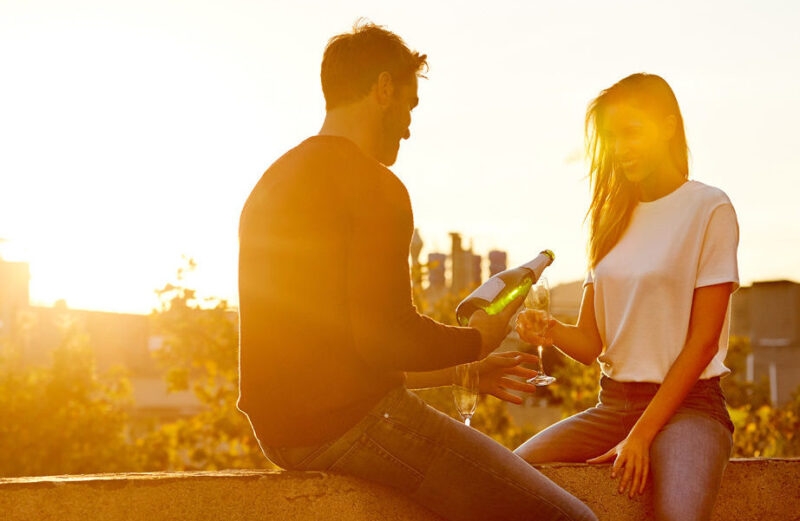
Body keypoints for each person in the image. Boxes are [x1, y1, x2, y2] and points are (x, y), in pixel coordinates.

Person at [237, 20, 597, 521]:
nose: (408, 125)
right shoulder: (374, 185)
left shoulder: (272, 183)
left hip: (282, 436)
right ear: (384, 88)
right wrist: (478, 340)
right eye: (409, 105)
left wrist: (461, 371)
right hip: (353, 426)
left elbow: (346, 347)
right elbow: (386, 337)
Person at [514, 72, 738, 521]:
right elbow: (591, 345)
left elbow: (703, 343)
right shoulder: (609, 220)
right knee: (508, 475)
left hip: (690, 407)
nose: (620, 149)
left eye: (631, 132)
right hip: (612, 405)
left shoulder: (710, 208)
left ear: (669, 125)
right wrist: (551, 330)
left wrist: (641, 435)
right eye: (612, 139)